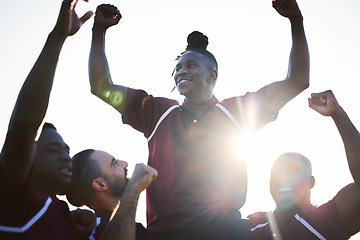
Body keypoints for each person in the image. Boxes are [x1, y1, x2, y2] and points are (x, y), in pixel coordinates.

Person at [88, 0, 309, 239]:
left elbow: (297, 80)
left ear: (212, 75)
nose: (181, 71)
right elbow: (101, 86)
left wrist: (296, 21)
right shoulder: (157, 111)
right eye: (178, 67)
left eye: (191, 65)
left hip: (224, 232)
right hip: (165, 234)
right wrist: (98, 31)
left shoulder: (237, 112)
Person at [0, 0, 94, 239]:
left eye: (66, 149)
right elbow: (24, 126)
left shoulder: (63, 214)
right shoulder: (14, 195)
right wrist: (58, 37)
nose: (66, 156)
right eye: (53, 150)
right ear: (27, 158)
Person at [248, 90, 360, 240]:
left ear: (311, 181)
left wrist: (338, 114)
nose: (283, 179)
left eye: (292, 173)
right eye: (276, 174)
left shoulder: (326, 221)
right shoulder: (253, 224)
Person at [66, 149, 158, 240]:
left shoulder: (121, 223)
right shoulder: (99, 231)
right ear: (100, 184)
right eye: (114, 163)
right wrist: (134, 187)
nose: (124, 163)